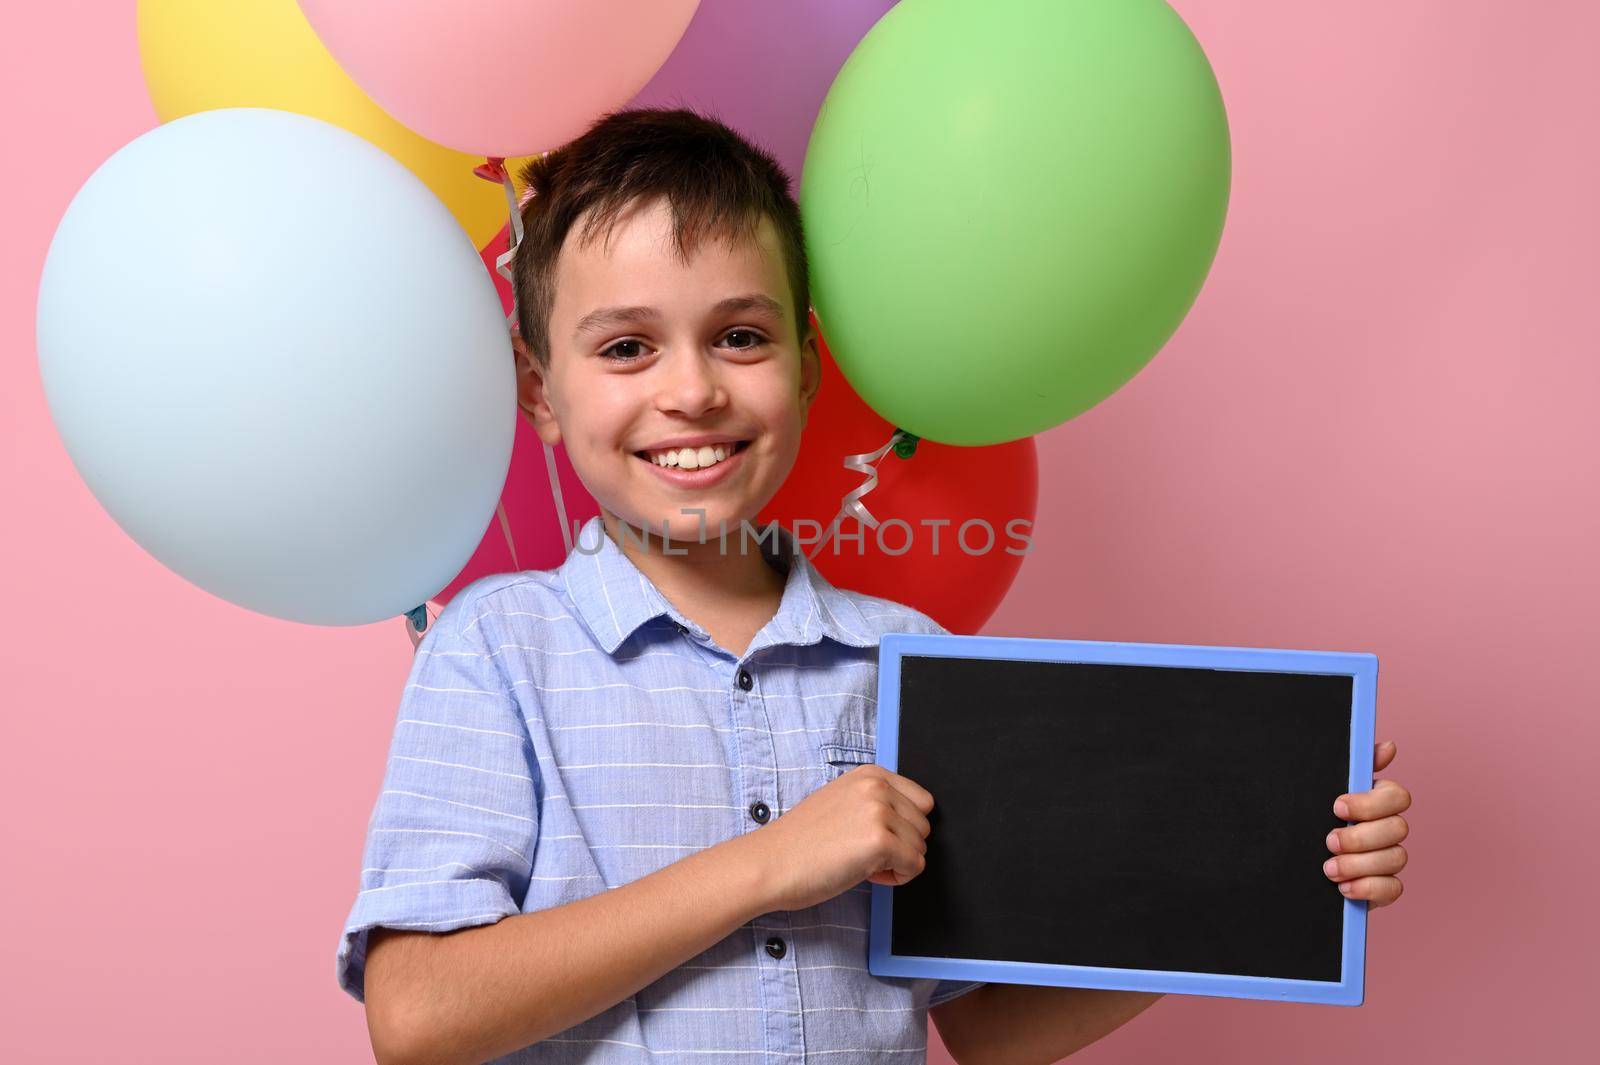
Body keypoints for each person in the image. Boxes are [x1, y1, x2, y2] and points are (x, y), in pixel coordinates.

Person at [335, 107, 1412, 1065]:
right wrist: (769, 864)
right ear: (542, 392)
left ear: (804, 367)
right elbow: (419, 1016)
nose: (693, 390)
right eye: (626, 348)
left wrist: (1263, 875)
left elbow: (988, 1028)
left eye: (740, 337)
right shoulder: (497, 646)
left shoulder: (907, 660)